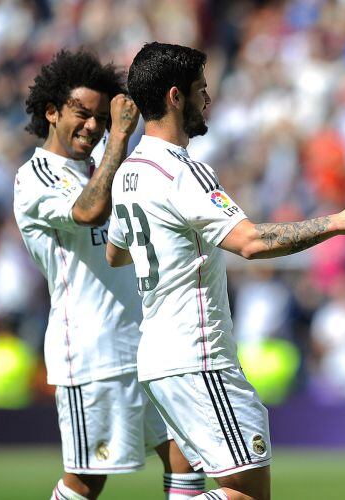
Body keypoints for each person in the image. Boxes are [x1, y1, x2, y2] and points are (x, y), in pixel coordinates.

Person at [106, 42, 345, 500]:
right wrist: (337, 222)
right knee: (247, 491)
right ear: (176, 97)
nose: (208, 100)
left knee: (197, 481)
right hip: (197, 354)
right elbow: (251, 242)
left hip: (156, 359)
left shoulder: (128, 173)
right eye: (201, 89)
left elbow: (116, 254)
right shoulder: (184, 172)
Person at [13, 49, 203, 500]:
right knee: (87, 479)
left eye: (101, 117)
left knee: (188, 454)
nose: (93, 126)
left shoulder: (101, 166)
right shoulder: (35, 176)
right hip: (91, 350)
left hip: (146, 343)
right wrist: (120, 138)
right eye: (82, 114)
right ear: (52, 112)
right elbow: (89, 210)